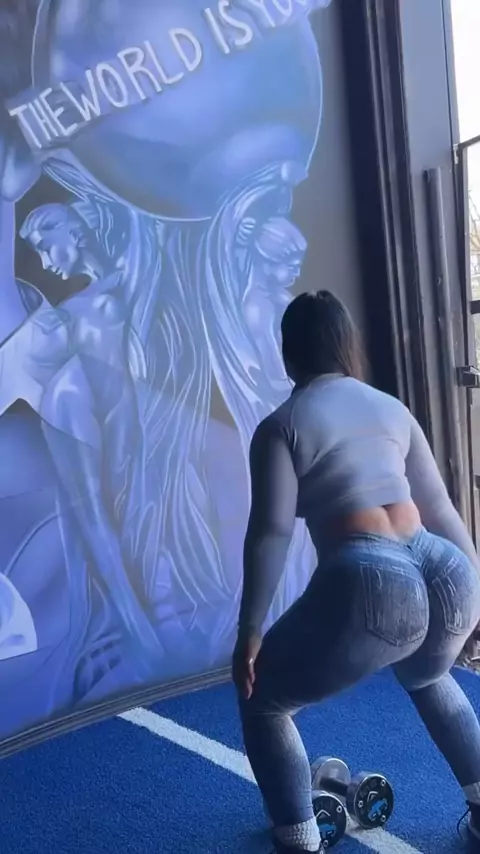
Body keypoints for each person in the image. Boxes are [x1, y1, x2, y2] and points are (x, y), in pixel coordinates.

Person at [232, 290, 480, 853]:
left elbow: (271, 532)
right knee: (427, 674)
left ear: (288, 354)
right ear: (348, 346)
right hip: (445, 571)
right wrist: (478, 588)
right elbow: (441, 511)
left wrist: (249, 630)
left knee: (262, 698)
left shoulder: (283, 424)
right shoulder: (391, 408)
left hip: (374, 578)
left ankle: (299, 839)